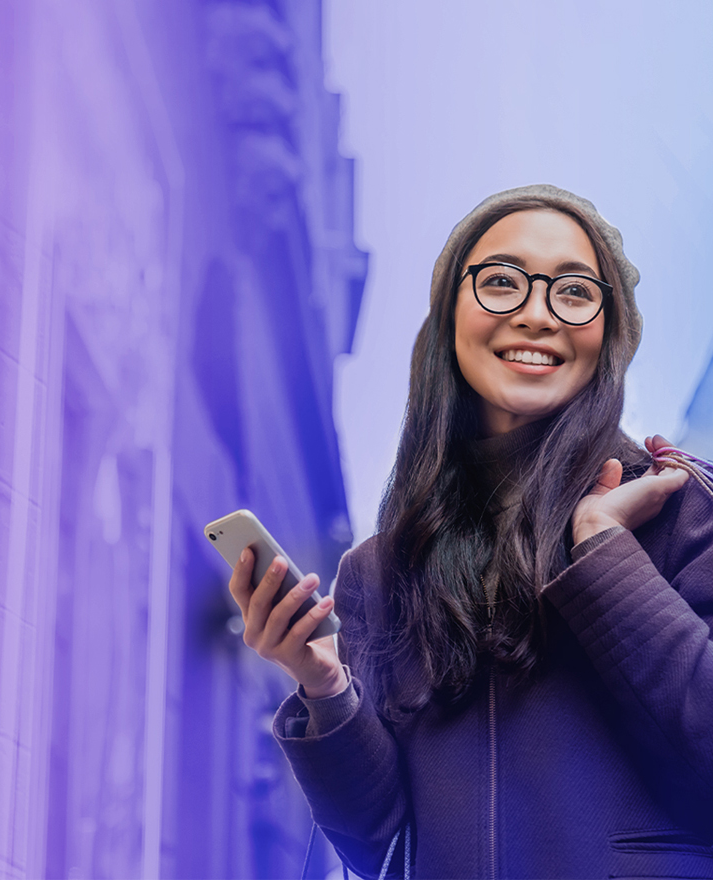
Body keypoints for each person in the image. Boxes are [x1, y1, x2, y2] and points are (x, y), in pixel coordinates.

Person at [227, 184, 713, 878]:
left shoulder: (681, 509)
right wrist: (324, 686)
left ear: (611, 333)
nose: (537, 315)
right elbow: (380, 849)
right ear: (451, 314)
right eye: (502, 283)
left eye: (573, 293)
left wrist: (605, 553)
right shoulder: (379, 573)